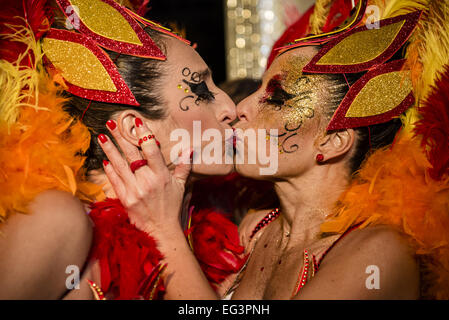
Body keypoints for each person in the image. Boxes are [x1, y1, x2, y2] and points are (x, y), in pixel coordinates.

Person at [101, 0, 449, 299]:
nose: (241, 107)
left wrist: (164, 233)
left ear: (332, 141)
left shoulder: (380, 252)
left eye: (277, 97)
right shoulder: (254, 230)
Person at [0, 0, 244, 299]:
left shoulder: (200, 229)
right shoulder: (58, 220)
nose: (230, 108)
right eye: (203, 92)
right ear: (134, 130)